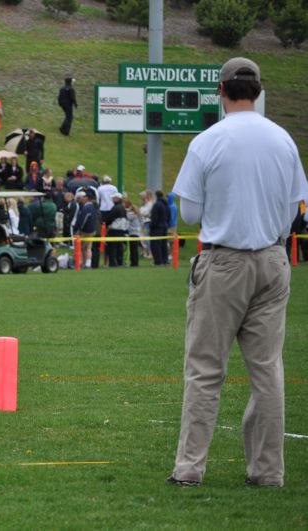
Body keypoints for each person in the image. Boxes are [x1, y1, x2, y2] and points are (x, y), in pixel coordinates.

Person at [168, 57, 308, 488]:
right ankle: (267, 470)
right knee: (267, 370)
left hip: (224, 260)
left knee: (206, 369)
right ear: (259, 92)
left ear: (221, 91)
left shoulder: (208, 141)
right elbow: (292, 212)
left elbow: (189, 211)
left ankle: (190, 467)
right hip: (272, 258)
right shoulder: (283, 140)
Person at [103, 193, 128, 267]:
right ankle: (119, 262)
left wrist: (106, 224)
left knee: (112, 247)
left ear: (117, 199)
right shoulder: (122, 207)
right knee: (119, 246)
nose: (112, 200)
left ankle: (113, 262)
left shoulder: (115, 208)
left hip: (114, 229)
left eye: (113, 198)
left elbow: (109, 219)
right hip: (121, 229)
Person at [73, 190, 95, 268]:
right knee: (88, 247)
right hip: (92, 230)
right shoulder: (92, 206)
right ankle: (87, 263)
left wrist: (79, 229)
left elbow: (84, 219)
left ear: (87, 198)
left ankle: (81, 262)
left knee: (81, 247)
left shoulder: (86, 207)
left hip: (85, 231)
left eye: (84, 197)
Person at [149, 190, 169, 266]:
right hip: (164, 226)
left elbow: (155, 217)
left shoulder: (157, 205)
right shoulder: (166, 204)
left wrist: (152, 225)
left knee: (155, 244)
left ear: (156, 196)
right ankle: (165, 260)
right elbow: (168, 216)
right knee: (163, 244)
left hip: (157, 227)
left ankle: (158, 261)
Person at [124, 197, 142, 267]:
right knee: (134, 249)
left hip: (133, 232)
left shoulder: (131, 214)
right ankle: (134, 262)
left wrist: (124, 211)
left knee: (133, 249)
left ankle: (134, 263)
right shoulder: (135, 213)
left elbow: (127, 217)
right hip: (136, 232)